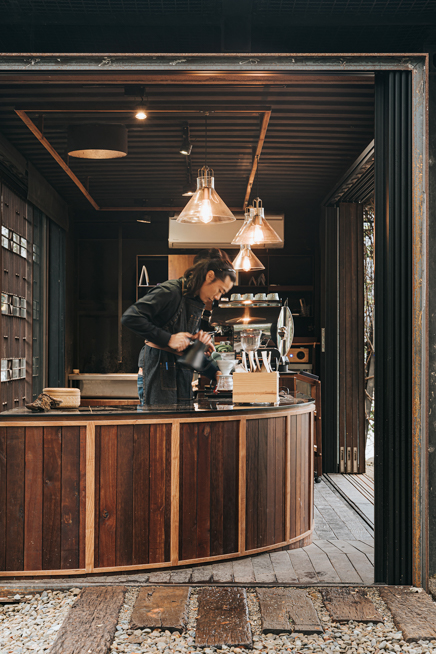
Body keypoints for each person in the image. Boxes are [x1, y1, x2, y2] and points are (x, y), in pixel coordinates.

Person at [122, 249, 236, 405]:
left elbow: (185, 353)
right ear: (209, 276)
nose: (217, 297)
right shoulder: (170, 292)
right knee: (160, 427)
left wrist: (214, 372)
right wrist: (168, 339)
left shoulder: (196, 302)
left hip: (180, 379)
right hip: (157, 373)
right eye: (220, 290)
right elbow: (131, 317)